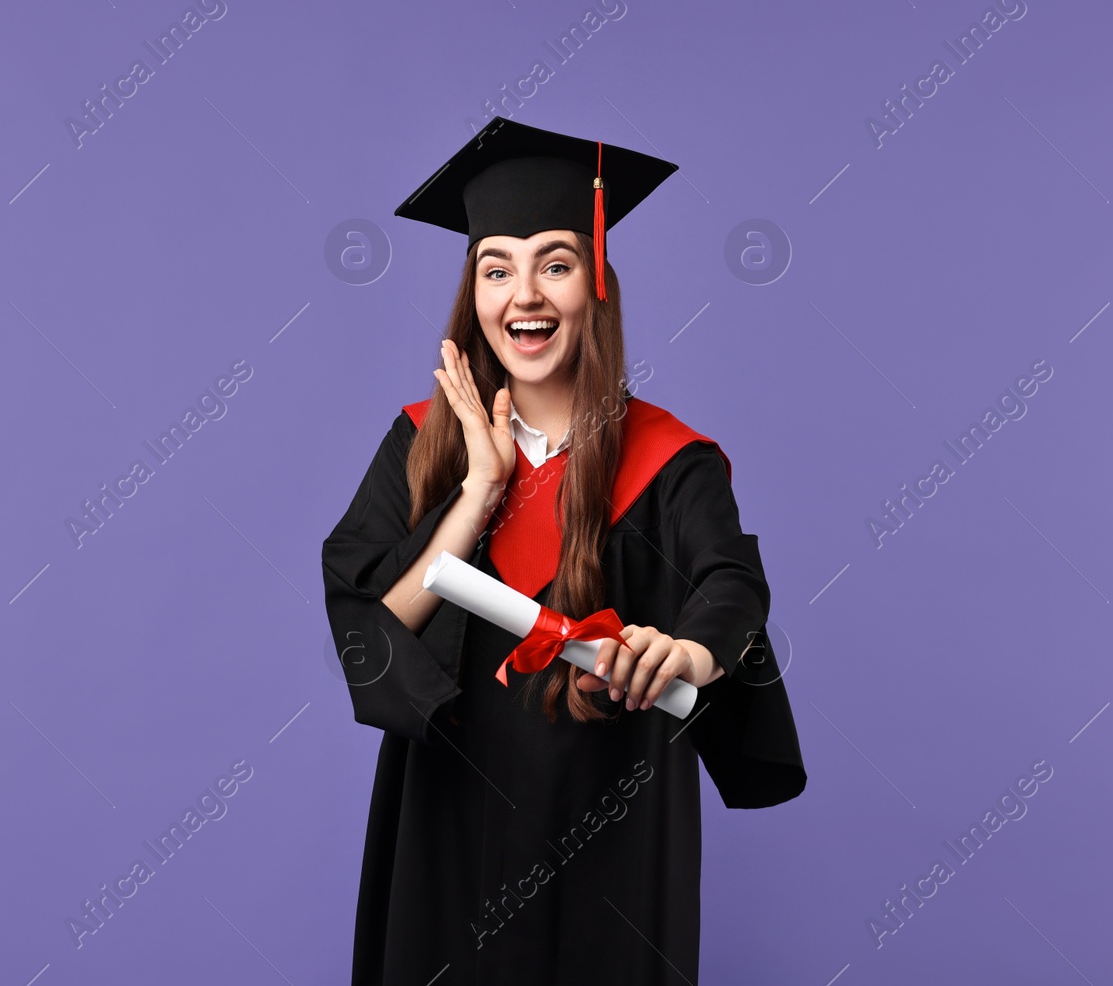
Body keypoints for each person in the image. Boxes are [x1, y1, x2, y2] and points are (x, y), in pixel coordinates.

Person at [321, 116, 806, 986]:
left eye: (555, 262)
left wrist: (686, 649)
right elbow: (373, 624)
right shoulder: (421, 445)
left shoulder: (670, 460)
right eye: (496, 268)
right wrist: (478, 491)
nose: (524, 295)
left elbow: (730, 582)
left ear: (597, 285)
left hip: (612, 829)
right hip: (447, 827)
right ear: (473, 294)